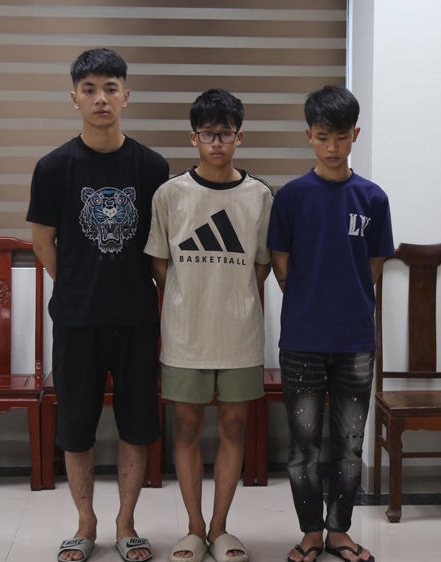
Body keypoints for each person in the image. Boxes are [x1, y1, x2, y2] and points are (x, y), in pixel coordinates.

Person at [26, 48, 169, 562]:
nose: (101, 98)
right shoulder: (53, 168)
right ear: (75, 99)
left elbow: (160, 246)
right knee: (76, 427)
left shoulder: (152, 167)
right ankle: (85, 523)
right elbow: (43, 242)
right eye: (89, 89)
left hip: (137, 317)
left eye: (110, 88)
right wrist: (77, 286)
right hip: (77, 320)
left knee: (137, 425)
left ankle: (126, 523)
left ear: (126, 96)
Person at [145, 88, 273, 562]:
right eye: (207, 133)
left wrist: (230, 295)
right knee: (187, 426)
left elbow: (261, 266)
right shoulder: (170, 194)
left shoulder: (259, 196)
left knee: (235, 426)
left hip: (240, 334)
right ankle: (194, 529)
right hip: (185, 334)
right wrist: (189, 296)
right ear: (192, 137)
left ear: (240, 137)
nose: (217, 142)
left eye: (225, 133)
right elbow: (161, 264)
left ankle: (220, 528)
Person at [267, 85, 393, 562]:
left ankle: (339, 531)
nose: (333, 147)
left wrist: (346, 299)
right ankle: (310, 533)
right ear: (309, 136)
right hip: (302, 339)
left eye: (341, 137)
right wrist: (309, 300)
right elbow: (280, 262)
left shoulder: (373, 198)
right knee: (303, 446)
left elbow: (375, 264)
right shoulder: (292, 197)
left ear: (355, 134)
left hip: (356, 340)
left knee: (349, 444)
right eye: (323, 137)